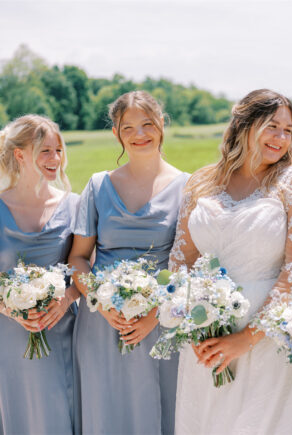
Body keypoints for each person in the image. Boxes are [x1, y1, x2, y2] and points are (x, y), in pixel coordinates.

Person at [168, 89, 292, 434]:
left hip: (269, 340)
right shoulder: (202, 181)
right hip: (205, 340)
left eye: (288, 130)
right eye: (272, 126)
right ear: (244, 125)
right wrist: (195, 323)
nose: (281, 138)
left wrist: (247, 338)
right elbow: (181, 259)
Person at [69, 90, 188, 434]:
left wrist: (155, 314)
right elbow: (78, 257)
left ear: (162, 124)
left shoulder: (187, 187)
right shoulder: (97, 185)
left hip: (161, 322)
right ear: (116, 133)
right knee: (106, 411)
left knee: (162, 410)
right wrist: (99, 302)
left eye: (148, 124)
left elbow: (187, 264)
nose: (139, 135)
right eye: (128, 128)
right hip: (102, 324)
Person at [0, 114, 79, 434]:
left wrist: (67, 298)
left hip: (62, 332)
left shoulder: (74, 205)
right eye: (45, 151)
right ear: (20, 154)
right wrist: (9, 308)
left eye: (58, 150)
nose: (55, 159)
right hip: (8, 336)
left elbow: (86, 268)